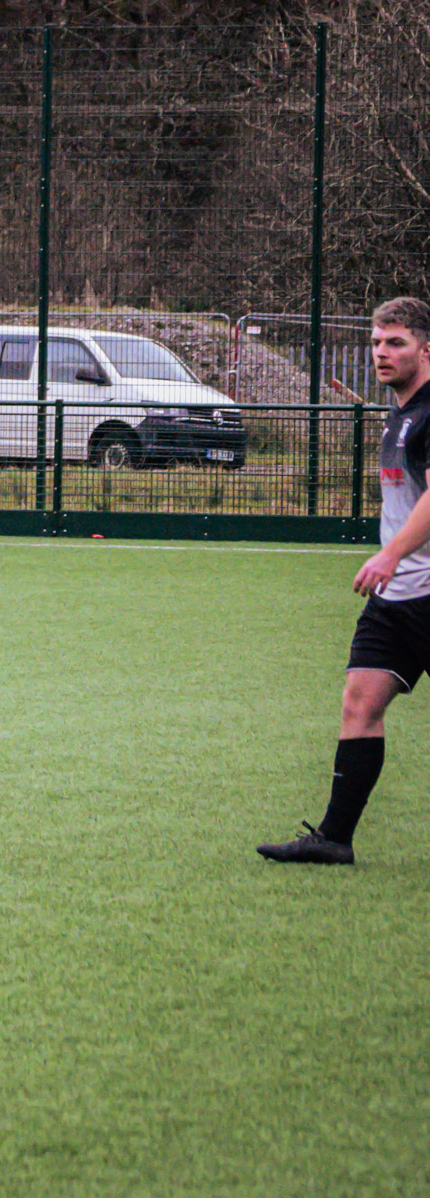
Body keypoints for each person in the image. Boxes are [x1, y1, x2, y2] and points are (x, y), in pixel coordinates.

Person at [260, 297, 430, 865]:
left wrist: (390, 554)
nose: (383, 353)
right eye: (377, 343)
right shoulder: (400, 413)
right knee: (360, 700)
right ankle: (334, 838)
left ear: (425, 349)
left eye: (396, 342)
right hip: (398, 596)